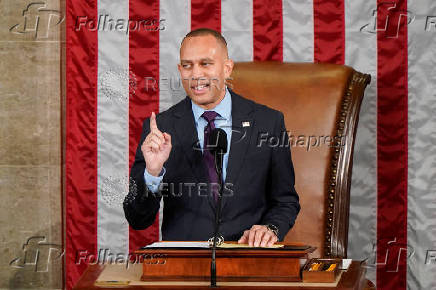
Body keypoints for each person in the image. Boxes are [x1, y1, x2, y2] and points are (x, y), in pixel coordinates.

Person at [123, 28, 300, 247]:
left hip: (247, 261)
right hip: (185, 269)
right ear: (180, 70)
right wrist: (152, 173)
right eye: (187, 65)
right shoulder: (161, 128)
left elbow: (285, 201)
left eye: (205, 64)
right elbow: (138, 219)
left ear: (227, 68)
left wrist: (271, 228)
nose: (195, 74)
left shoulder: (267, 122)